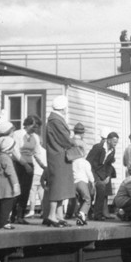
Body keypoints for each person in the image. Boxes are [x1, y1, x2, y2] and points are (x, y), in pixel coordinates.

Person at [43, 96, 75, 227]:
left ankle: (59, 215)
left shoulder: (54, 119)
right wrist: (74, 139)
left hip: (60, 156)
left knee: (62, 186)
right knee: (57, 185)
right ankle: (52, 215)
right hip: (59, 156)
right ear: (64, 108)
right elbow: (65, 139)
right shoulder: (56, 120)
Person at [11, 115, 46, 224]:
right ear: (27, 124)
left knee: (26, 190)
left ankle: (20, 216)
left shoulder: (35, 137)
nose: (35, 129)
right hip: (18, 164)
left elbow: (37, 153)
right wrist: (24, 164)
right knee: (17, 189)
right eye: (33, 126)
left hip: (30, 164)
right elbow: (15, 151)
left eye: (37, 127)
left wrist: (43, 166)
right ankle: (13, 215)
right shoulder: (18, 134)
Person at [86, 131, 119, 220]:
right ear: (108, 140)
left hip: (102, 173)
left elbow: (109, 164)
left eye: (117, 142)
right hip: (93, 171)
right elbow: (88, 161)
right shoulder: (98, 147)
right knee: (92, 192)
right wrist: (91, 177)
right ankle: (87, 212)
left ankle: (98, 215)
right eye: (114, 141)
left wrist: (108, 176)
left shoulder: (113, 150)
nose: (116, 144)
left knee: (102, 189)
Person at [0, 136, 20, 230]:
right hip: (7, 185)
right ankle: (4, 222)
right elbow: (11, 172)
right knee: (6, 205)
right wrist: (15, 184)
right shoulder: (6, 158)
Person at [71, 139, 95, 226]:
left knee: (80, 201)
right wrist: (92, 182)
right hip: (82, 182)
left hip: (74, 183)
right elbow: (89, 173)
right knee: (87, 199)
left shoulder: (73, 163)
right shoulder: (85, 162)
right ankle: (81, 214)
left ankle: (81, 218)